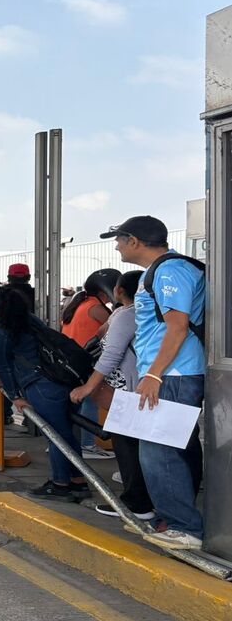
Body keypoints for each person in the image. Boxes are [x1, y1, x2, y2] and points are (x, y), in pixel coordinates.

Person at [103, 216, 206, 550]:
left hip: (173, 375)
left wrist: (153, 375)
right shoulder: (160, 271)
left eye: (119, 239)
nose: (117, 246)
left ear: (134, 241)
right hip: (171, 373)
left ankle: (184, 527)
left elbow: (177, 327)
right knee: (175, 450)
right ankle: (174, 520)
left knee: (157, 453)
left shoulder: (169, 271)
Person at [0, 286, 88, 502]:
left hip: (42, 386)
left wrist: (15, 397)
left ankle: (60, 485)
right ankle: (78, 481)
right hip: (65, 381)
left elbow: (5, 368)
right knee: (65, 434)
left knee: (56, 436)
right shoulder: (29, 321)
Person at [70, 270, 154, 520]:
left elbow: (111, 353)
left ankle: (137, 504)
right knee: (138, 444)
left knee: (128, 445)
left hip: (128, 388)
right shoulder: (139, 313)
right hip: (139, 386)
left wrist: (88, 387)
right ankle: (144, 499)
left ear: (119, 291)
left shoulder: (128, 315)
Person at [61, 268, 121, 460]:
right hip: (89, 361)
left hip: (72, 360)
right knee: (90, 403)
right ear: (106, 292)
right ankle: (87, 444)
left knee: (79, 403)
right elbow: (120, 326)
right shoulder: (96, 307)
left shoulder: (78, 303)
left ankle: (74, 443)